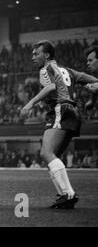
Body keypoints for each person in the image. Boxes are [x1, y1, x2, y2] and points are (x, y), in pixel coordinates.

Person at [20, 40, 98, 209]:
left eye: (36, 53)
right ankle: (64, 195)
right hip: (73, 113)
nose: (33, 57)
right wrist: (92, 99)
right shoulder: (69, 71)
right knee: (50, 156)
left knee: (46, 153)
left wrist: (29, 104)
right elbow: (96, 83)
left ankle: (68, 194)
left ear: (46, 55)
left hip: (60, 109)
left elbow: (50, 87)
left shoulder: (45, 69)